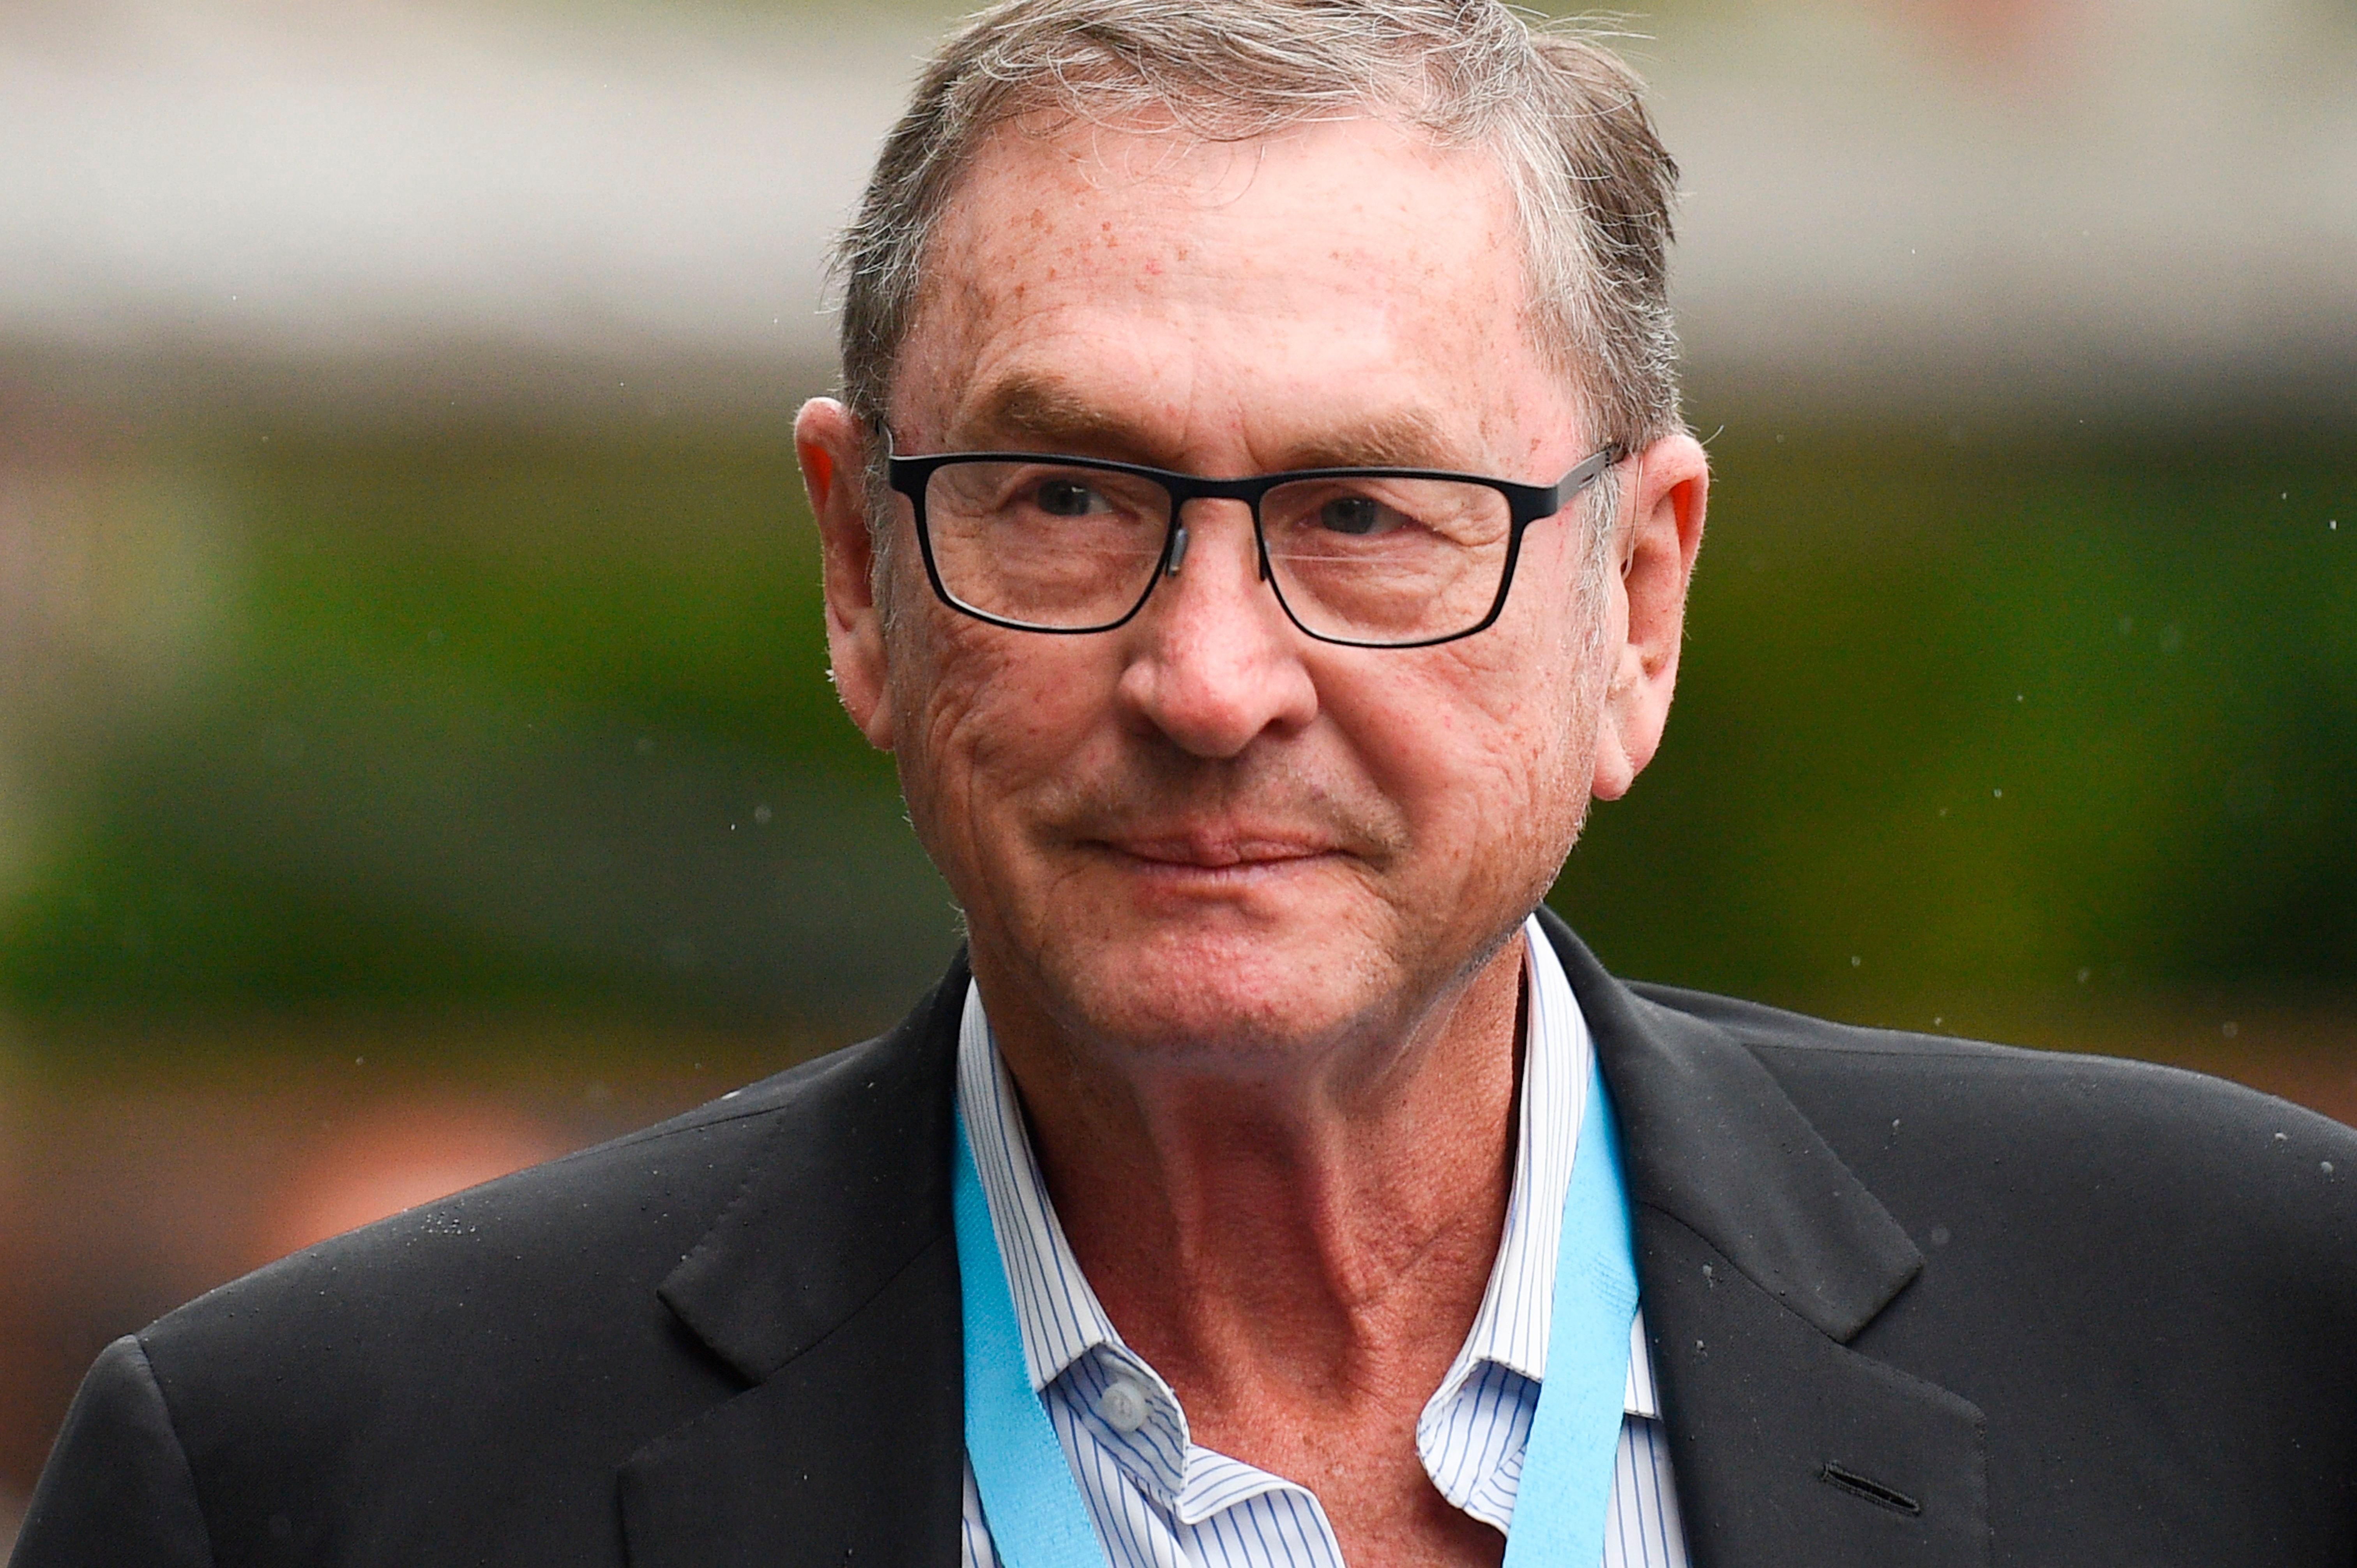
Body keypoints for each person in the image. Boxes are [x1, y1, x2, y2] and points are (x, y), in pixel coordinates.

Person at [15, 2, 2356, 1565]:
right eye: (1062, 498)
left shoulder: (2254, 1342)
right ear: (858, 573)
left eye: (1364, 513)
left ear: (1636, 604)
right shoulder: (313, 1484)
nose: (1212, 676)